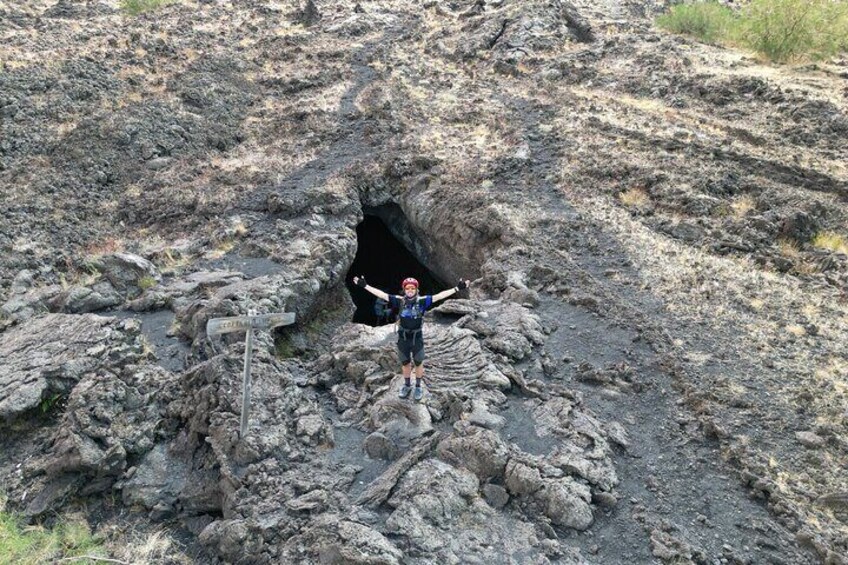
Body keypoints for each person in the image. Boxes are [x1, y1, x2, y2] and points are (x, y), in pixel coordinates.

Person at [353, 275, 470, 401]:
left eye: (412, 289)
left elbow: (440, 296)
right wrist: (365, 286)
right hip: (403, 338)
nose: (410, 291)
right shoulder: (400, 301)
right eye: (407, 288)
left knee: (419, 362)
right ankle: (407, 385)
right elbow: (381, 295)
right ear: (404, 290)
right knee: (405, 363)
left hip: (416, 338)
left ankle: (418, 386)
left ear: (416, 290)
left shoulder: (422, 301)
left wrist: (457, 288)